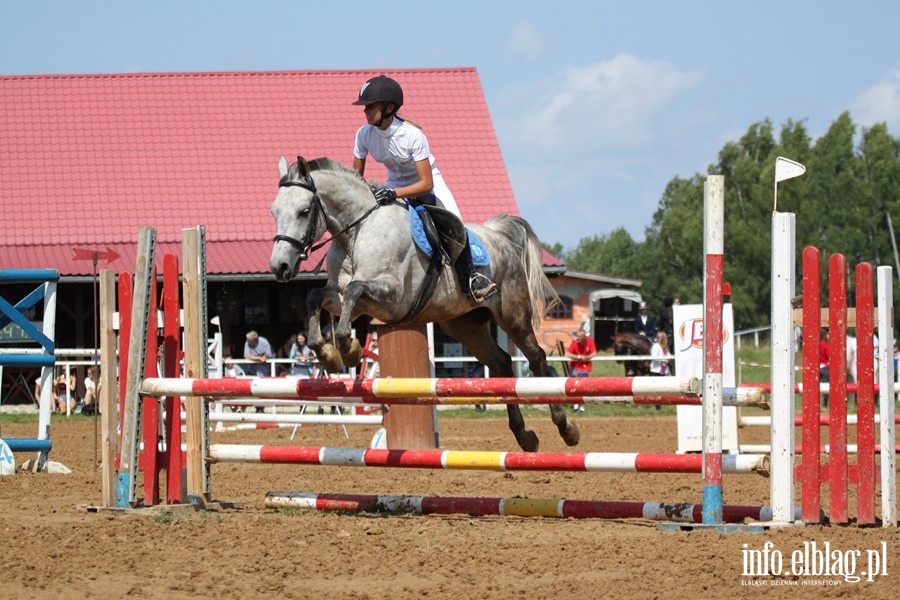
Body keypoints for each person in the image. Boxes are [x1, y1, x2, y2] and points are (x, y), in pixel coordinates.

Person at [351, 74, 496, 302]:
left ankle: (474, 279)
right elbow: (355, 180)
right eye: (364, 106)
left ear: (389, 107)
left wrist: (394, 193)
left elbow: (425, 184)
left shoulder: (413, 135)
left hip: (427, 181)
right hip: (394, 182)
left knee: (455, 222)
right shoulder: (364, 135)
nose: (365, 111)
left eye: (371, 106)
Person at [566, 329, 596, 412]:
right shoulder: (574, 343)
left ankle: (581, 405)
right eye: (577, 336)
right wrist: (579, 357)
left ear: (584, 337)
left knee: (583, 387)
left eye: (579, 336)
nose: (577, 338)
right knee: (574, 387)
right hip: (574, 368)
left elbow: (594, 352)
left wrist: (587, 357)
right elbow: (567, 354)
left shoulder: (590, 341)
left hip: (585, 368)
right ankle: (575, 404)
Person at [818, 328, 830, 408]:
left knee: (814, 387)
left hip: (816, 368)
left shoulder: (814, 344)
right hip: (825, 368)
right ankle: (824, 405)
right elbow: (830, 356)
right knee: (825, 386)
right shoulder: (825, 345)